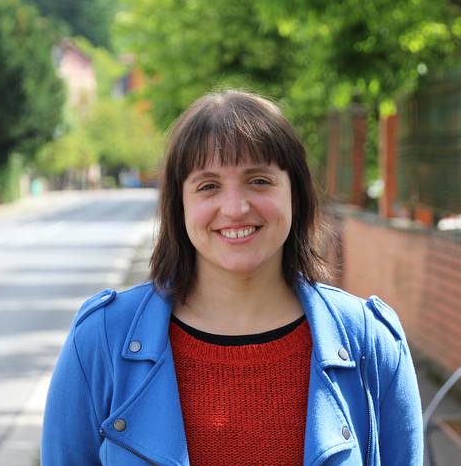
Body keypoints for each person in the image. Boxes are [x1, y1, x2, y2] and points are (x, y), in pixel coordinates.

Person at [41, 90, 423, 465]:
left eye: (259, 180)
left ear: (295, 194)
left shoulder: (370, 341)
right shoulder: (102, 339)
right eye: (208, 186)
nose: (236, 208)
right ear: (179, 204)